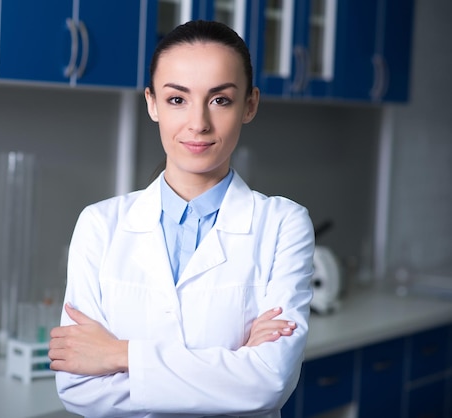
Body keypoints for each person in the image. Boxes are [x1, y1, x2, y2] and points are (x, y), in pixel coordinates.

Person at [48, 20, 315, 418]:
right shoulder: (99, 224)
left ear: (250, 105)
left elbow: (268, 382)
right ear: (152, 103)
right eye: (177, 100)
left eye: (220, 100)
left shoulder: (284, 224)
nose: (198, 123)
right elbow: (79, 388)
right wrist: (232, 367)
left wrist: (117, 355)